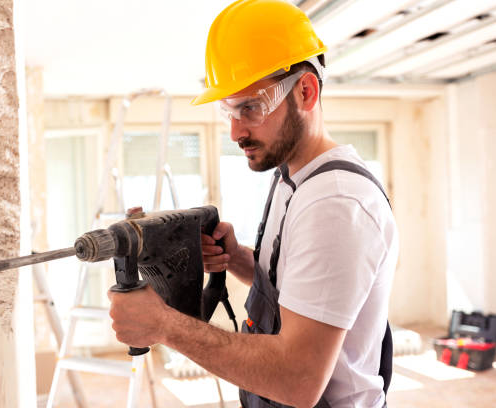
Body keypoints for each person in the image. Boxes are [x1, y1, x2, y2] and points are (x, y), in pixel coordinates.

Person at [107, 1, 399, 407]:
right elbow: (298, 294)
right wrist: (242, 260)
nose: (235, 131)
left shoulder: (336, 203)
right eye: (227, 110)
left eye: (250, 108)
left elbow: (297, 379)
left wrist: (163, 325)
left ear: (306, 91)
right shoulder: (293, 175)